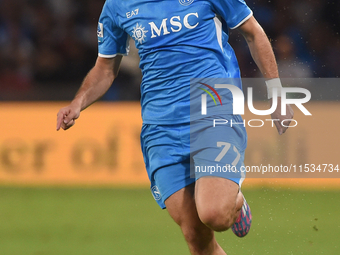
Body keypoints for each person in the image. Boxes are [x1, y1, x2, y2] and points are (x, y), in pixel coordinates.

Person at [56, 0, 294, 254]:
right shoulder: (117, 6)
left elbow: (253, 32)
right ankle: (226, 194)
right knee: (195, 236)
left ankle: (233, 200)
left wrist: (276, 93)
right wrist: (78, 103)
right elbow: (105, 67)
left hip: (212, 106)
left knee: (214, 214)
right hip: (160, 126)